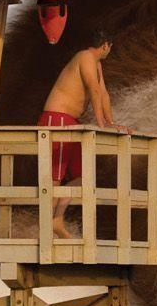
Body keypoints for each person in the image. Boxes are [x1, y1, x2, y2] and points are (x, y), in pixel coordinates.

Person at [40, 32, 119, 235]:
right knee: (54, 177)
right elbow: (93, 90)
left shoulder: (96, 64)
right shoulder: (85, 57)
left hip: (72, 123)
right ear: (105, 45)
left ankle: (56, 219)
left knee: (84, 175)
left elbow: (102, 94)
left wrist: (111, 123)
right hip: (56, 118)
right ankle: (47, 226)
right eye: (110, 47)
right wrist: (100, 123)